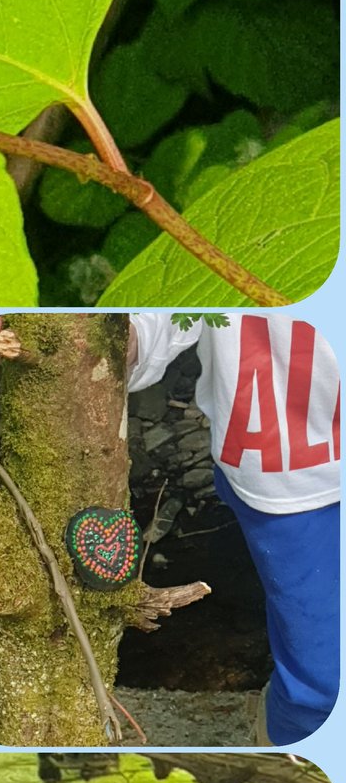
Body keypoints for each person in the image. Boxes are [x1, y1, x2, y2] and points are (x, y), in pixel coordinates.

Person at [127, 314, 339, 745]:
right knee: (322, 687)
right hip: (289, 461)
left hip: (284, 455)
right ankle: (285, 742)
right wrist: (122, 334)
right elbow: (165, 306)